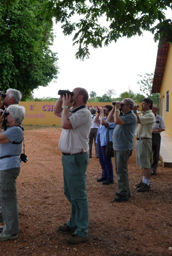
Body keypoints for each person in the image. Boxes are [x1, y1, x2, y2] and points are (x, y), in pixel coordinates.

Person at [54, 88, 91, 244]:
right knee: (70, 192)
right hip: (68, 158)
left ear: (80, 97)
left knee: (78, 195)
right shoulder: (72, 110)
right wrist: (62, 98)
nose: (69, 97)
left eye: (72, 95)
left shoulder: (84, 113)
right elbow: (56, 111)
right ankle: (73, 222)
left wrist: (67, 106)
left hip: (76, 158)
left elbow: (65, 124)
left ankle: (82, 230)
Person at [0, 104, 26, 241]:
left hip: (8, 167)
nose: (6, 116)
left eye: (8, 114)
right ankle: (10, 225)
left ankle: (11, 231)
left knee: (8, 198)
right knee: (6, 197)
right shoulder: (12, 129)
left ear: (15, 118)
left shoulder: (16, 130)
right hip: (5, 165)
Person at [0, 88, 22, 224]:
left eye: (5, 95)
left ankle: (5, 212)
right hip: (1, 149)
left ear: (12, 99)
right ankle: (6, 211)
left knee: (3, 183)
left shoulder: (15, 113)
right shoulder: (7, 110)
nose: (2, 97)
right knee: (0, 183)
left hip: (6, 152)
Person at [107, 98, 137, 202]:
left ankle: (124, 193)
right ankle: (124, 190)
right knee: (119, 169)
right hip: (118, 146)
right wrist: (114, 108)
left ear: (129, 106)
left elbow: (116, 121)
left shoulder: (131, 116)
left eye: (122, 104)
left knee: (122, 170)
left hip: (124, 147)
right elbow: (109, 119)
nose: (121, 106)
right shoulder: (123, 115)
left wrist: (116, 110)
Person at [133, 98, 155, 192]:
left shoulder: (150, 115)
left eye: (143, 104)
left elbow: (138, 120)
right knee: (142, 162)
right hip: (140, 140)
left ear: (149, 105)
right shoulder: (143, 114)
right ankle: (143, 181)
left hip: (145, 140)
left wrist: (134, 110)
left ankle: (147, 183)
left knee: (146, 163)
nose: (141, 105)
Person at [94, 105, 115, 185]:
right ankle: (104, 175)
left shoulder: (112, 119)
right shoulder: (104, 118)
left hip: (106, 141)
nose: (103, 111)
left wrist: (102, 114)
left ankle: (110, 177)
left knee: (107, 160)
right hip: (100, 140)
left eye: (105, 110)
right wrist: (99, 113)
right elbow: (95, 121)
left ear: (109, 111)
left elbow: (102, 123)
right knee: (102, 159)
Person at [151, 104, 165, 175]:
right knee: (148, 153)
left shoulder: (159, 118)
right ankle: (148, 168)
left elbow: (163, 128)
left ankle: (154, 169)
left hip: (156, 136)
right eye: (152, 109)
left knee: (156, 153)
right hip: (148, 136)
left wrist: (156, 130)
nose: (153, 110)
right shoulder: (148, 117)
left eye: (154, 109)